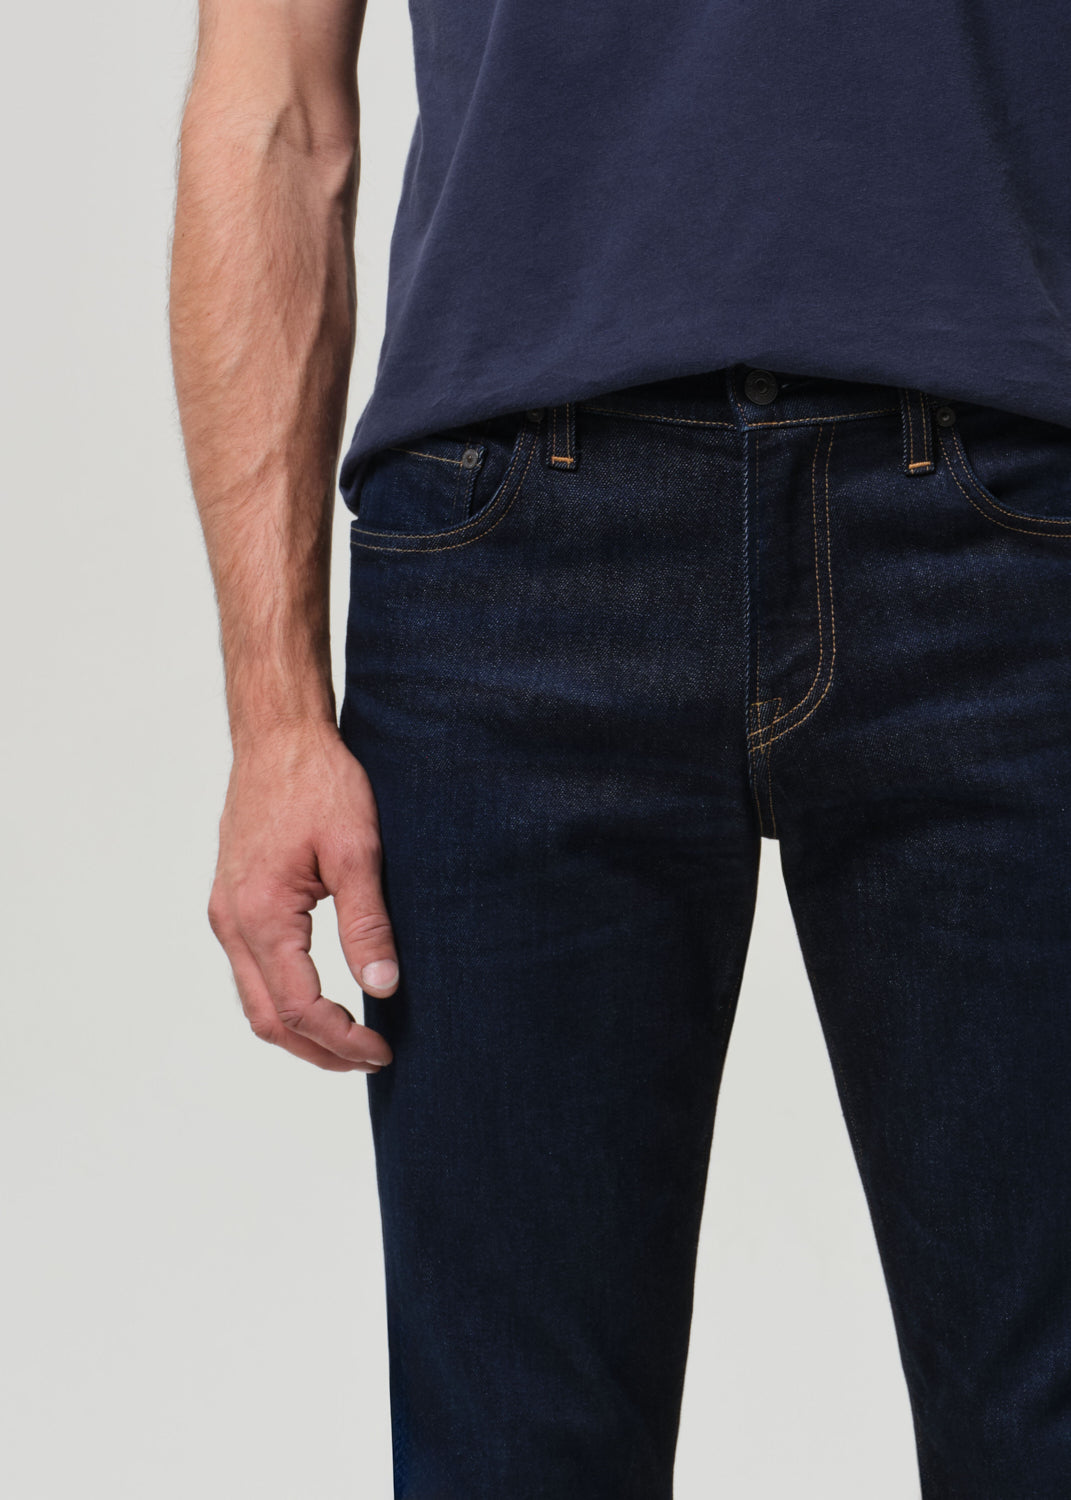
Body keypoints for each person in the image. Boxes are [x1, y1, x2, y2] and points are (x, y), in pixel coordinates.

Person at [168, 0, 1071, 1493]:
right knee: (510, 1460)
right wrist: (273, 718)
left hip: (1018, 521)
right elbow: (277, 109)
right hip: (511, 548)